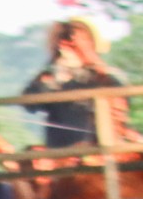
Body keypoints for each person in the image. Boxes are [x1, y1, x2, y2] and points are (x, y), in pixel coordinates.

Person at [22, 16, 125, 152]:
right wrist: (51, 80)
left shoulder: (103, 76)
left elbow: (120, 103)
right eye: (63, 45)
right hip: (62, 149)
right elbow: (29, 104)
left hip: (98, 148)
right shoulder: (50, 74)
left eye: (72, 46)